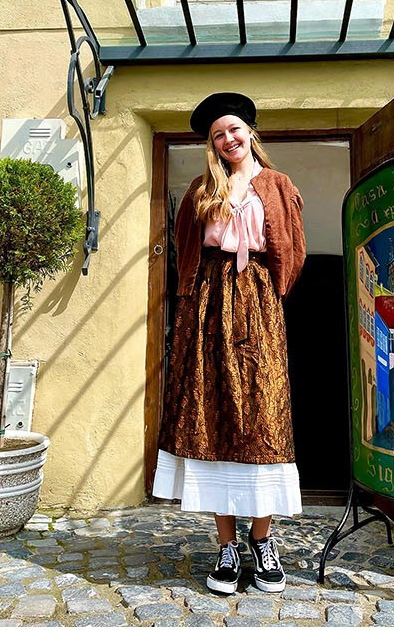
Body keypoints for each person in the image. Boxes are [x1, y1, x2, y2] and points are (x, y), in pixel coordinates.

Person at [153, 92, 308, 595]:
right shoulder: (203, 188)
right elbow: (184, 249)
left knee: (262, 415)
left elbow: (294, 248)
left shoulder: (278, 185)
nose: (228, 139)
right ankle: (225, 546)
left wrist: (269, 293)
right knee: (212, 412)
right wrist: (195, 303)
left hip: (259, 302)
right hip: (209, 304)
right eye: (219, 134)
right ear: (212, 144)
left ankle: (263, 543)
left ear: (250, 132)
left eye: (234, 129)